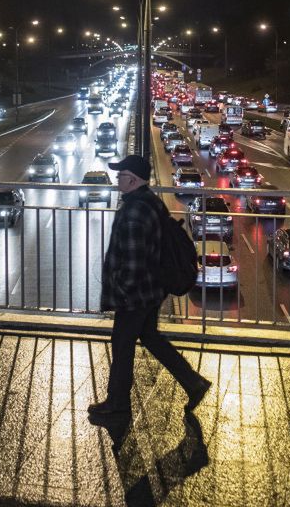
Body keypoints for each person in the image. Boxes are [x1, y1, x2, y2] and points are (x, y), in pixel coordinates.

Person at [89, 155, 211, 417]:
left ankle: (117, 402)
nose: (116, 178)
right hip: (153, 288)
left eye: (120, 175)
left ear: (132, 179)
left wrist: (121, 291)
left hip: (136, 294)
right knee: (150, 337)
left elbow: (134, 260)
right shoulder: (151, 202)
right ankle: (194, 383)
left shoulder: (134, 211)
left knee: (122, 343)